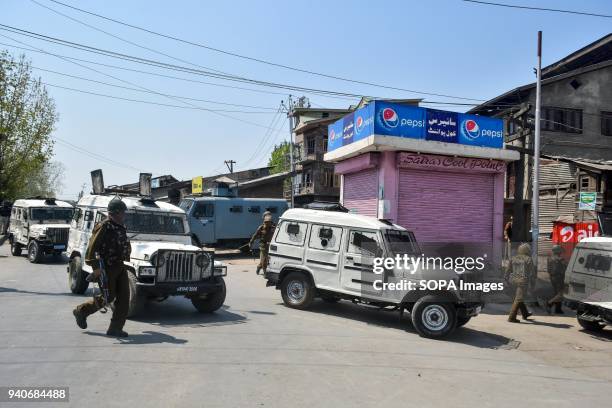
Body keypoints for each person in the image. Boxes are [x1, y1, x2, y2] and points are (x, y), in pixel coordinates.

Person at [72, 198, 131, 337]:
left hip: (120, 265)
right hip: (107, 267)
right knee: (108, 296)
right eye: (123, 212)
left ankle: (115, 328)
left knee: (124, 298)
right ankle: (81, 311)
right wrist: (96, 268)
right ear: (115, 213)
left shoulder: (120, 226)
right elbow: (91, 249)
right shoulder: (104, 226)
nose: (124, 215)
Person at [506, 242, 535, 323]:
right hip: (522, 282)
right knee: (518, 299)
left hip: (512, 281)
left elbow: (507, 270)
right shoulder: (528, 259)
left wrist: (506, 280)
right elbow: (532, 274)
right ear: (527, 250)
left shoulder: (513, 258)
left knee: (520, 297)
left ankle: (525, 313)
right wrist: (532, 285)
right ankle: (511, 317)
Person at [249, 211, 276, 275]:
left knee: (266, 259)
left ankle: (259, 266)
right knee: (264, 259)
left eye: (269, 221)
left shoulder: (274, 226)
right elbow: (255, 235)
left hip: (271, 245)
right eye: (266, 222)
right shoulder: (261, 227)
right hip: (263, 245)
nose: (267, 223)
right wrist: (251, 242)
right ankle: (265, 272)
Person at [545, 245, 566, 314]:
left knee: (557, 293)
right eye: (560, 251)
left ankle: (558, 309)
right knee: (560, 294)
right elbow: (564, 268)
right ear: (558, 252)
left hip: (553, 277)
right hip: (559, 278)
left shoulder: (549, 258)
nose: (561, 252)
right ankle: (549, 303)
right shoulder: (560, 259)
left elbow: (549, 269)